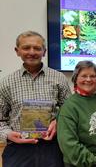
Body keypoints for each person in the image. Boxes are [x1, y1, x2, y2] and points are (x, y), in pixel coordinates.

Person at [0, 31, 71, 167]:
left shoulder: (59, 78)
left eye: (37, 48)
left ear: (44, 52)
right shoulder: (6, 83)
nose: (32, 52)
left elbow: (69, 111)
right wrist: (8, 134)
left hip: (52, 148)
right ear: (17, 51)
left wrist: (58, 121)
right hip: (18, 149)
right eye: (26, 47)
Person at [57, 60, 96, 167]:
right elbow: (68, 143)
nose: (88, 79)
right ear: (75, 79)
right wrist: (94, 160)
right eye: (84, 76)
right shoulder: (69, 106)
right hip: (82, 163)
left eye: (93, 76)